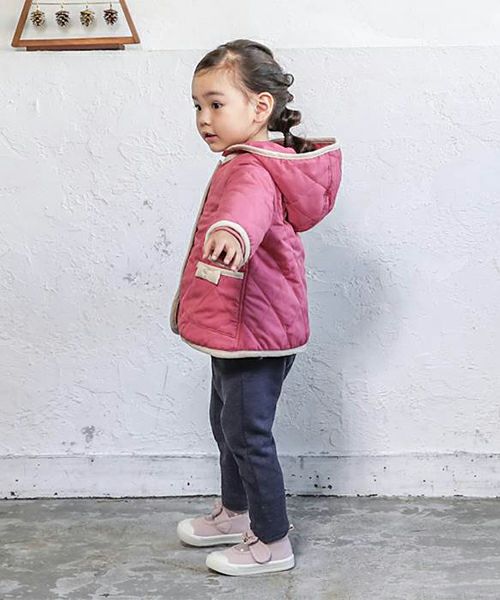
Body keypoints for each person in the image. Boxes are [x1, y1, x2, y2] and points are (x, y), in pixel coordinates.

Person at [171, 39, 342, 576]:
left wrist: (232, 231)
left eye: (216, 104)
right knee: (227, 423)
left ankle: (271, 541)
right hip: (241, 326)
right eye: (197, 106)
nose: (204, 118)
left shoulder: (251, 169)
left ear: (260, 107)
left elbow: (247, 210)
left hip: (255, 329)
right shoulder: (247, 161)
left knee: (247, 433)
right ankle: (235, 512)